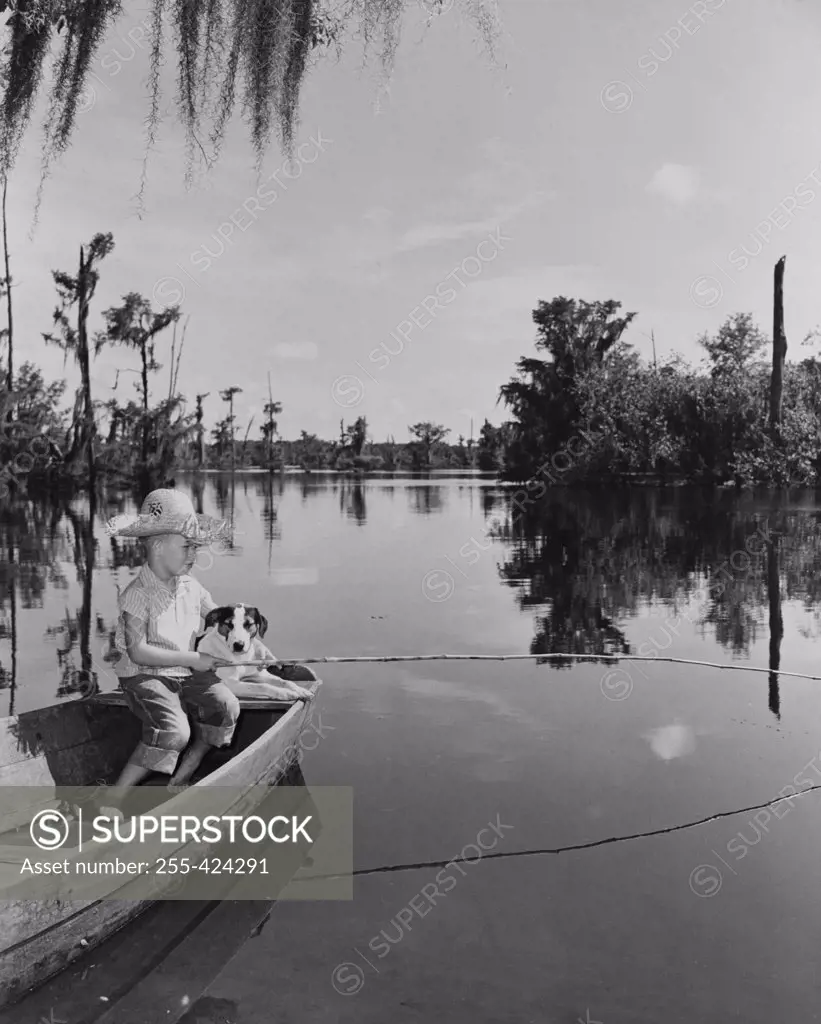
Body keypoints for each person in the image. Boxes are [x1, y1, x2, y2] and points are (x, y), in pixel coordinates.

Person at [105, 488, 237, 793]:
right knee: (175, 731)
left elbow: (219, 621)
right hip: (144, 677)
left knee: (226, 706)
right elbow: (138, 652)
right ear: (158, 546)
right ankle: (114, 796)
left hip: (185, 673)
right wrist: (193, 659)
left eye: (196, 547)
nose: (194, 555)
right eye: (187, 546)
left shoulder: (192, 587)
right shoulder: (136, 595)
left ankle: (183, 773)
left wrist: (241, 638)